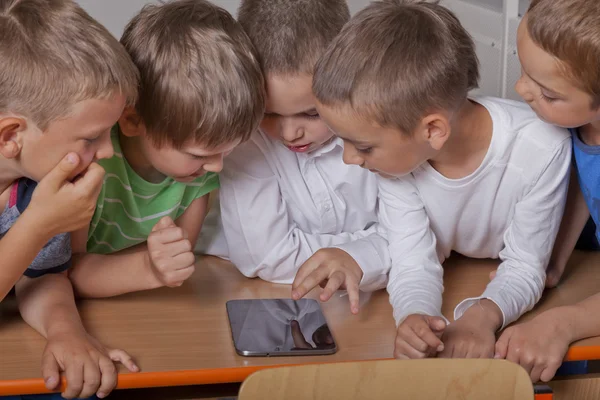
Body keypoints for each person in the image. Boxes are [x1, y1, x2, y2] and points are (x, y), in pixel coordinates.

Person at [311, 0, 571, 361]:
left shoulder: (541, 149)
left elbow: (527, 266)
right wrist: (415, 317)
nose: (349, 159)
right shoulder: (399, 164)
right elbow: (412, 259)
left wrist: (483, 316)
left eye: (363, 146)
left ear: (433, 130)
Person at [200, 0, 390, 314]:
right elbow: (265, 257)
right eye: (269, 114)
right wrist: (370, 247)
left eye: (311, 113)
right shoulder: (245, 143)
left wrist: (361, 257)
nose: (289, 133)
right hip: (257, 296)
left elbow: (422, 235)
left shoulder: (378, 129)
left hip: (366, 307)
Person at [68, 0, 265, 298]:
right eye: (199, 154)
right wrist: (148, 268)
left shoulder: (197, 174)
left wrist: (162, 266)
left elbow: (180, 260)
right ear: (133, 121)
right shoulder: (91, 164)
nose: (217, 167)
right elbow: (65, 273)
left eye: (225, 151)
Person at [0, 0, 140, 397]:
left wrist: (66, 332)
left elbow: (42, 277)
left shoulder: (36, 189)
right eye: (91, 137)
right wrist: (40, 223)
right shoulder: (42, 207)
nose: (109, 152)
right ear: (11, 137)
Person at [493, 0, 600, 382]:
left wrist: (565, 323)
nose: (521, 89)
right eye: (523, 70)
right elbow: (582, 186)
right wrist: (551, 261)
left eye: (549, 94)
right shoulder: (580, 125)